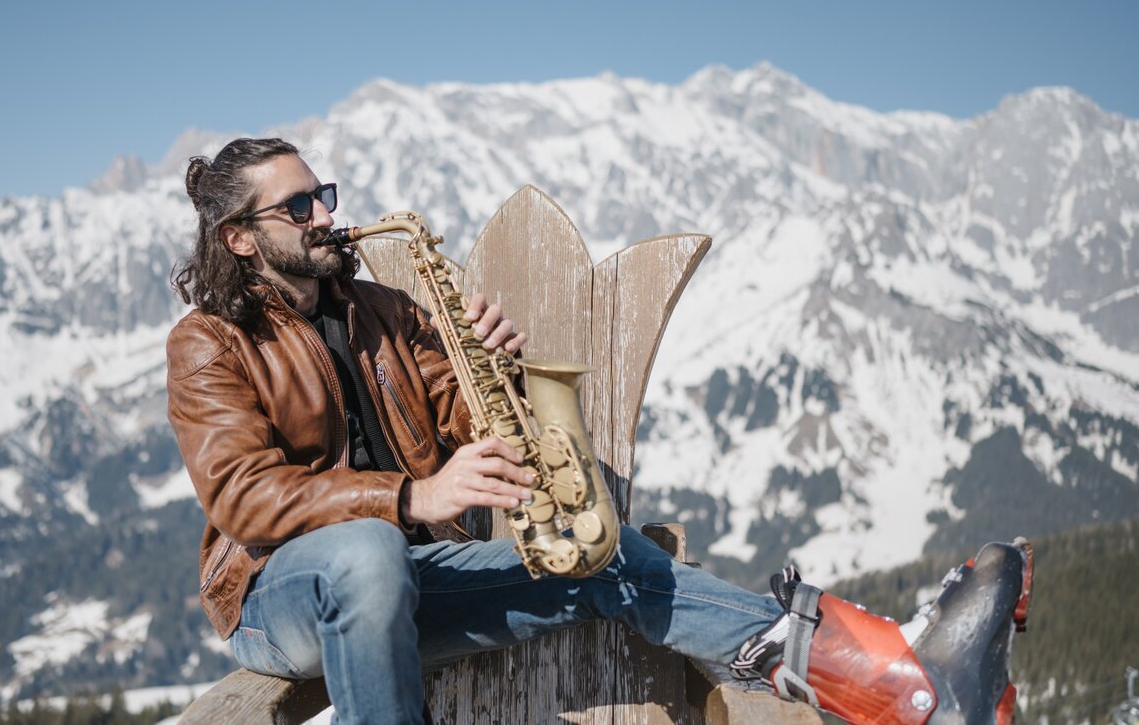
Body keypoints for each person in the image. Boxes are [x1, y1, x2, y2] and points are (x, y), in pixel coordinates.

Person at [167, 137, 1032, 725]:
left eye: (322, 195)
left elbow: (469, 423)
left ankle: (892, 679)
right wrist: (410, 498)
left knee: (606, 556)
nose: (324, 214)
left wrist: (495, 372)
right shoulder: (208, 343)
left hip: (404, 579)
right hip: (279, 597)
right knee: (366, 551)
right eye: (298, 206)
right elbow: (244, 496)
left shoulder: (383, 308)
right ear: (240, 238)